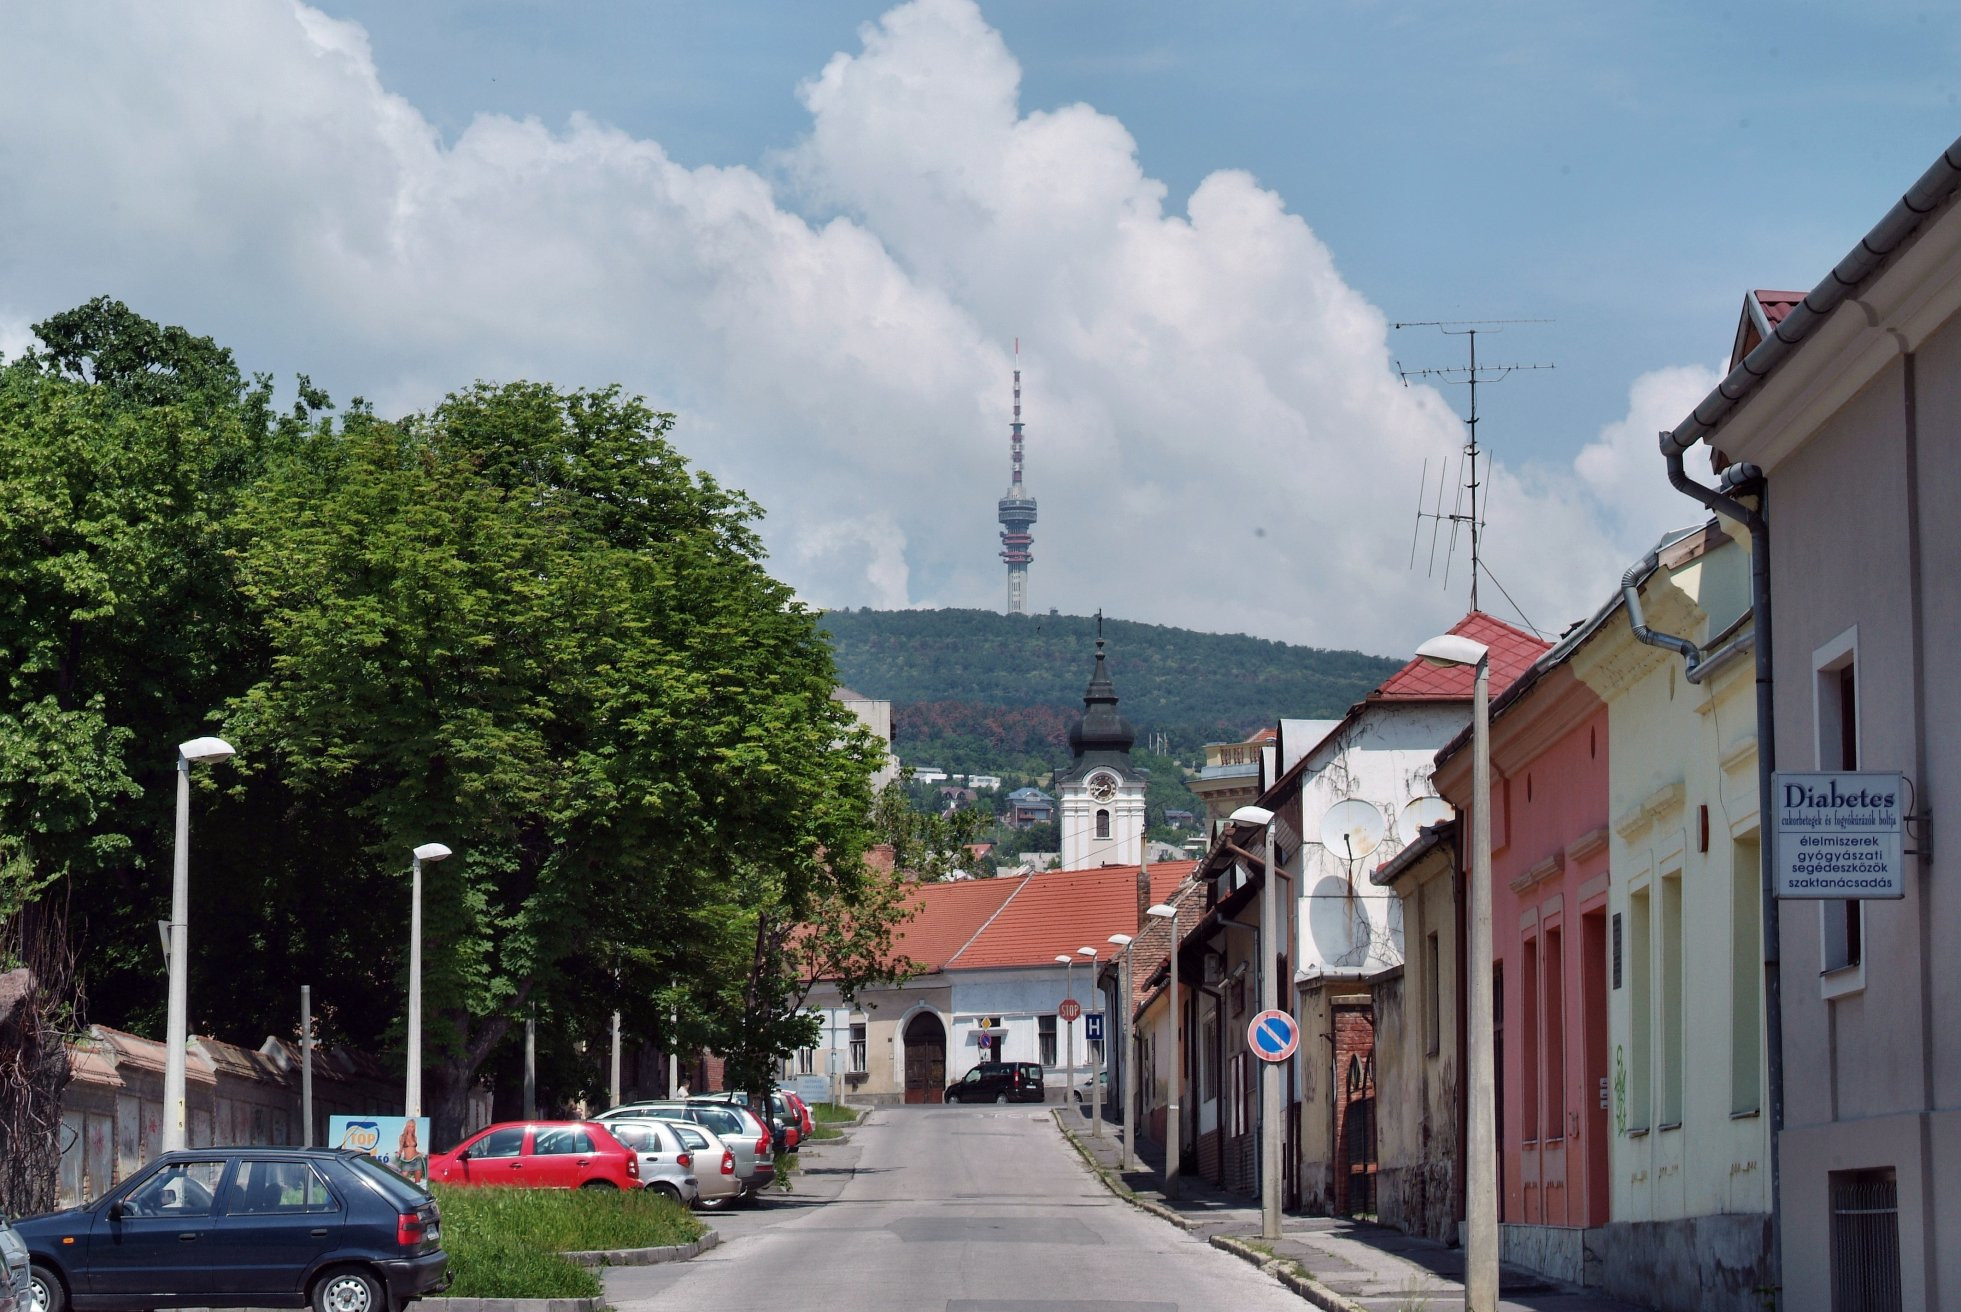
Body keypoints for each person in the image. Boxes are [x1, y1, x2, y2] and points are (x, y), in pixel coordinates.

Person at [394, 1119, 427, 1183]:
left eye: (412, 1126)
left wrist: (419, 1153)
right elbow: (401, 1149)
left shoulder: (415, 1137)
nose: (411, 1128)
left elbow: (414, 1150)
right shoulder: (402, 1137)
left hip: (417, 1160)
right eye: (409, 1126)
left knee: (418, 1183)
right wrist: (398, 1154)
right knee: (402, 1181)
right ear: (407, 1126)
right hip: (407, 1161)